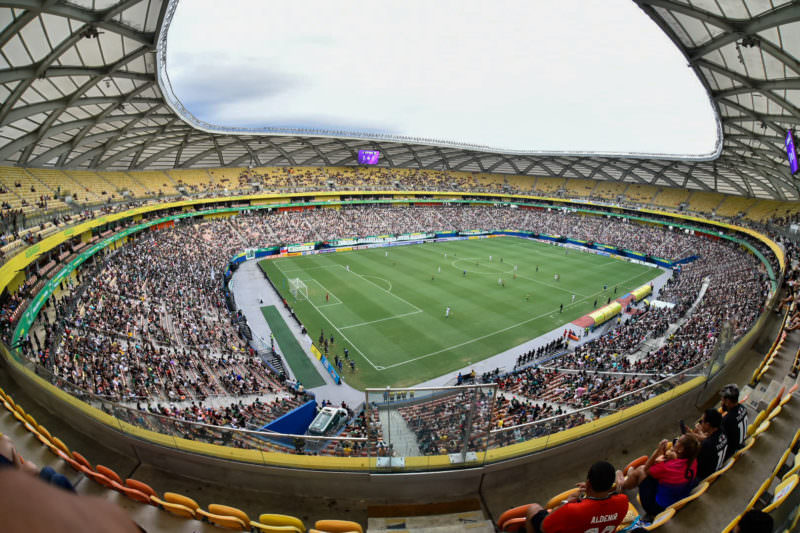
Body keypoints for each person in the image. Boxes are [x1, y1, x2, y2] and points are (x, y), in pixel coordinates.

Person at [524, 461, 629, 533]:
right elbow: (615, 482)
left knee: (533, 508)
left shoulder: (570, 509)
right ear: (611, 484)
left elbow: (544, 527)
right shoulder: (623, 501)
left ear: (588, 483)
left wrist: (566, 502)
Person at [620, 434, 700, 518]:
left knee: (641, 470)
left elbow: (646, 469)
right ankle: (630, 476)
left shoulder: (668, 467)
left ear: (680, 449)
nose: (676, 440)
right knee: (647, 472)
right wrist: (672, 458)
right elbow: (672, 471)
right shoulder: (693, 460)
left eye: (679, 440)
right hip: (676, 500)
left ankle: (623, 484)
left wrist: (658, 451)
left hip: (657, 508)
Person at [690, 408, 728, 480]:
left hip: (702, 476)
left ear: (707, 425)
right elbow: (708, 439)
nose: (701, 423)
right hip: (715, 470)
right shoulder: (722, 431)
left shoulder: (707, 444)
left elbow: (693, 462)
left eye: (702, 421)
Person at [720, 384, 748, 457]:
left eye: (722, 400)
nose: (721, 402)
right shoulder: (743, 408)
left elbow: (721, 441)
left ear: (727, 401)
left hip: (732, 451)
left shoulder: (727, 419)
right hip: (742, 444)